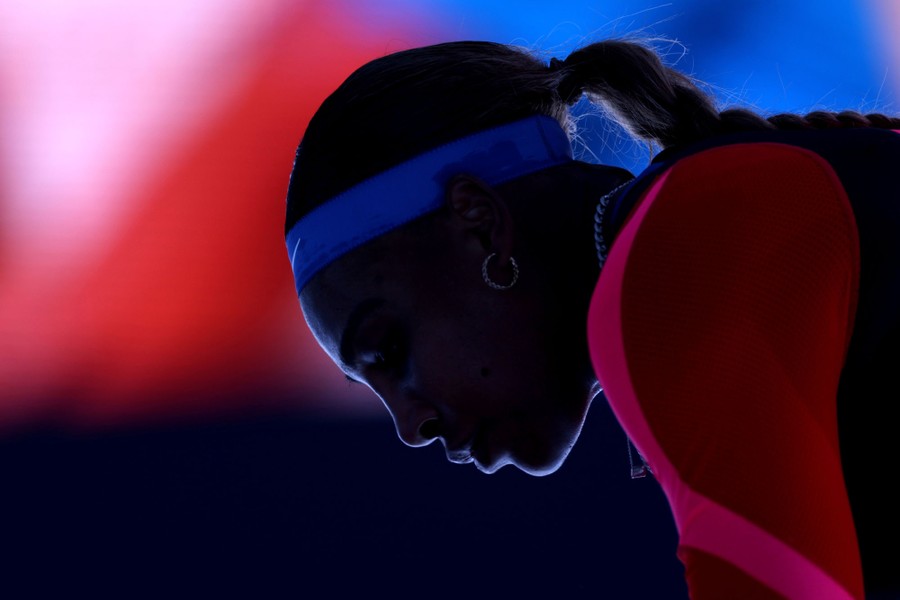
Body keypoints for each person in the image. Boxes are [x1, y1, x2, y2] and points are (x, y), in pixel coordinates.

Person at [283, 39, 900, 599]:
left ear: (478, 223)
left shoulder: (677, 251)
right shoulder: (696, 227)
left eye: (387, 350)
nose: (410, 426)